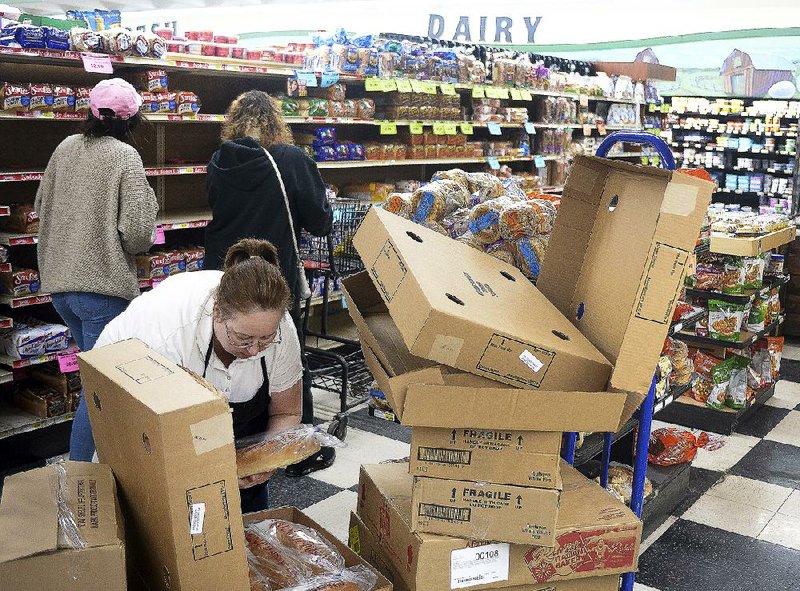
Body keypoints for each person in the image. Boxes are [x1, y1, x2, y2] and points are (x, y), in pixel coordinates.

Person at [89, 239, 302, 512]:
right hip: (122, 389)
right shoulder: (166, 338)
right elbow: (150, 441)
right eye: (243, 338)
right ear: (216, 312)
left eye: (265, 339)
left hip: (214, 424)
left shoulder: (281, 330)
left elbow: (286, 413)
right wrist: (217, 469)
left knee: (248, 521)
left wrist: (266, 460)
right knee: (122, 503)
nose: (254, 350)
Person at [205, 90, 334, 476]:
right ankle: (298, 450)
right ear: (277, 122)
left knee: (228, 352)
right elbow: (319, 220)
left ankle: (224, 447)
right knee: (285, 354)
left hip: (223, 272)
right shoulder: (291, 159)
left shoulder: (219, 161)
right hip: (271, 274)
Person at [35, 78, 158, 461]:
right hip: (102, 290)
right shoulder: (125, 157)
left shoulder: (64, 147)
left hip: (60, 288)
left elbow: (41, 204)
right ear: (133, 119)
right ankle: (81, 478)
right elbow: (138, 234)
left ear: (90, 112)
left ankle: (101, 467)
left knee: (94, 381)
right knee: (100, 388)